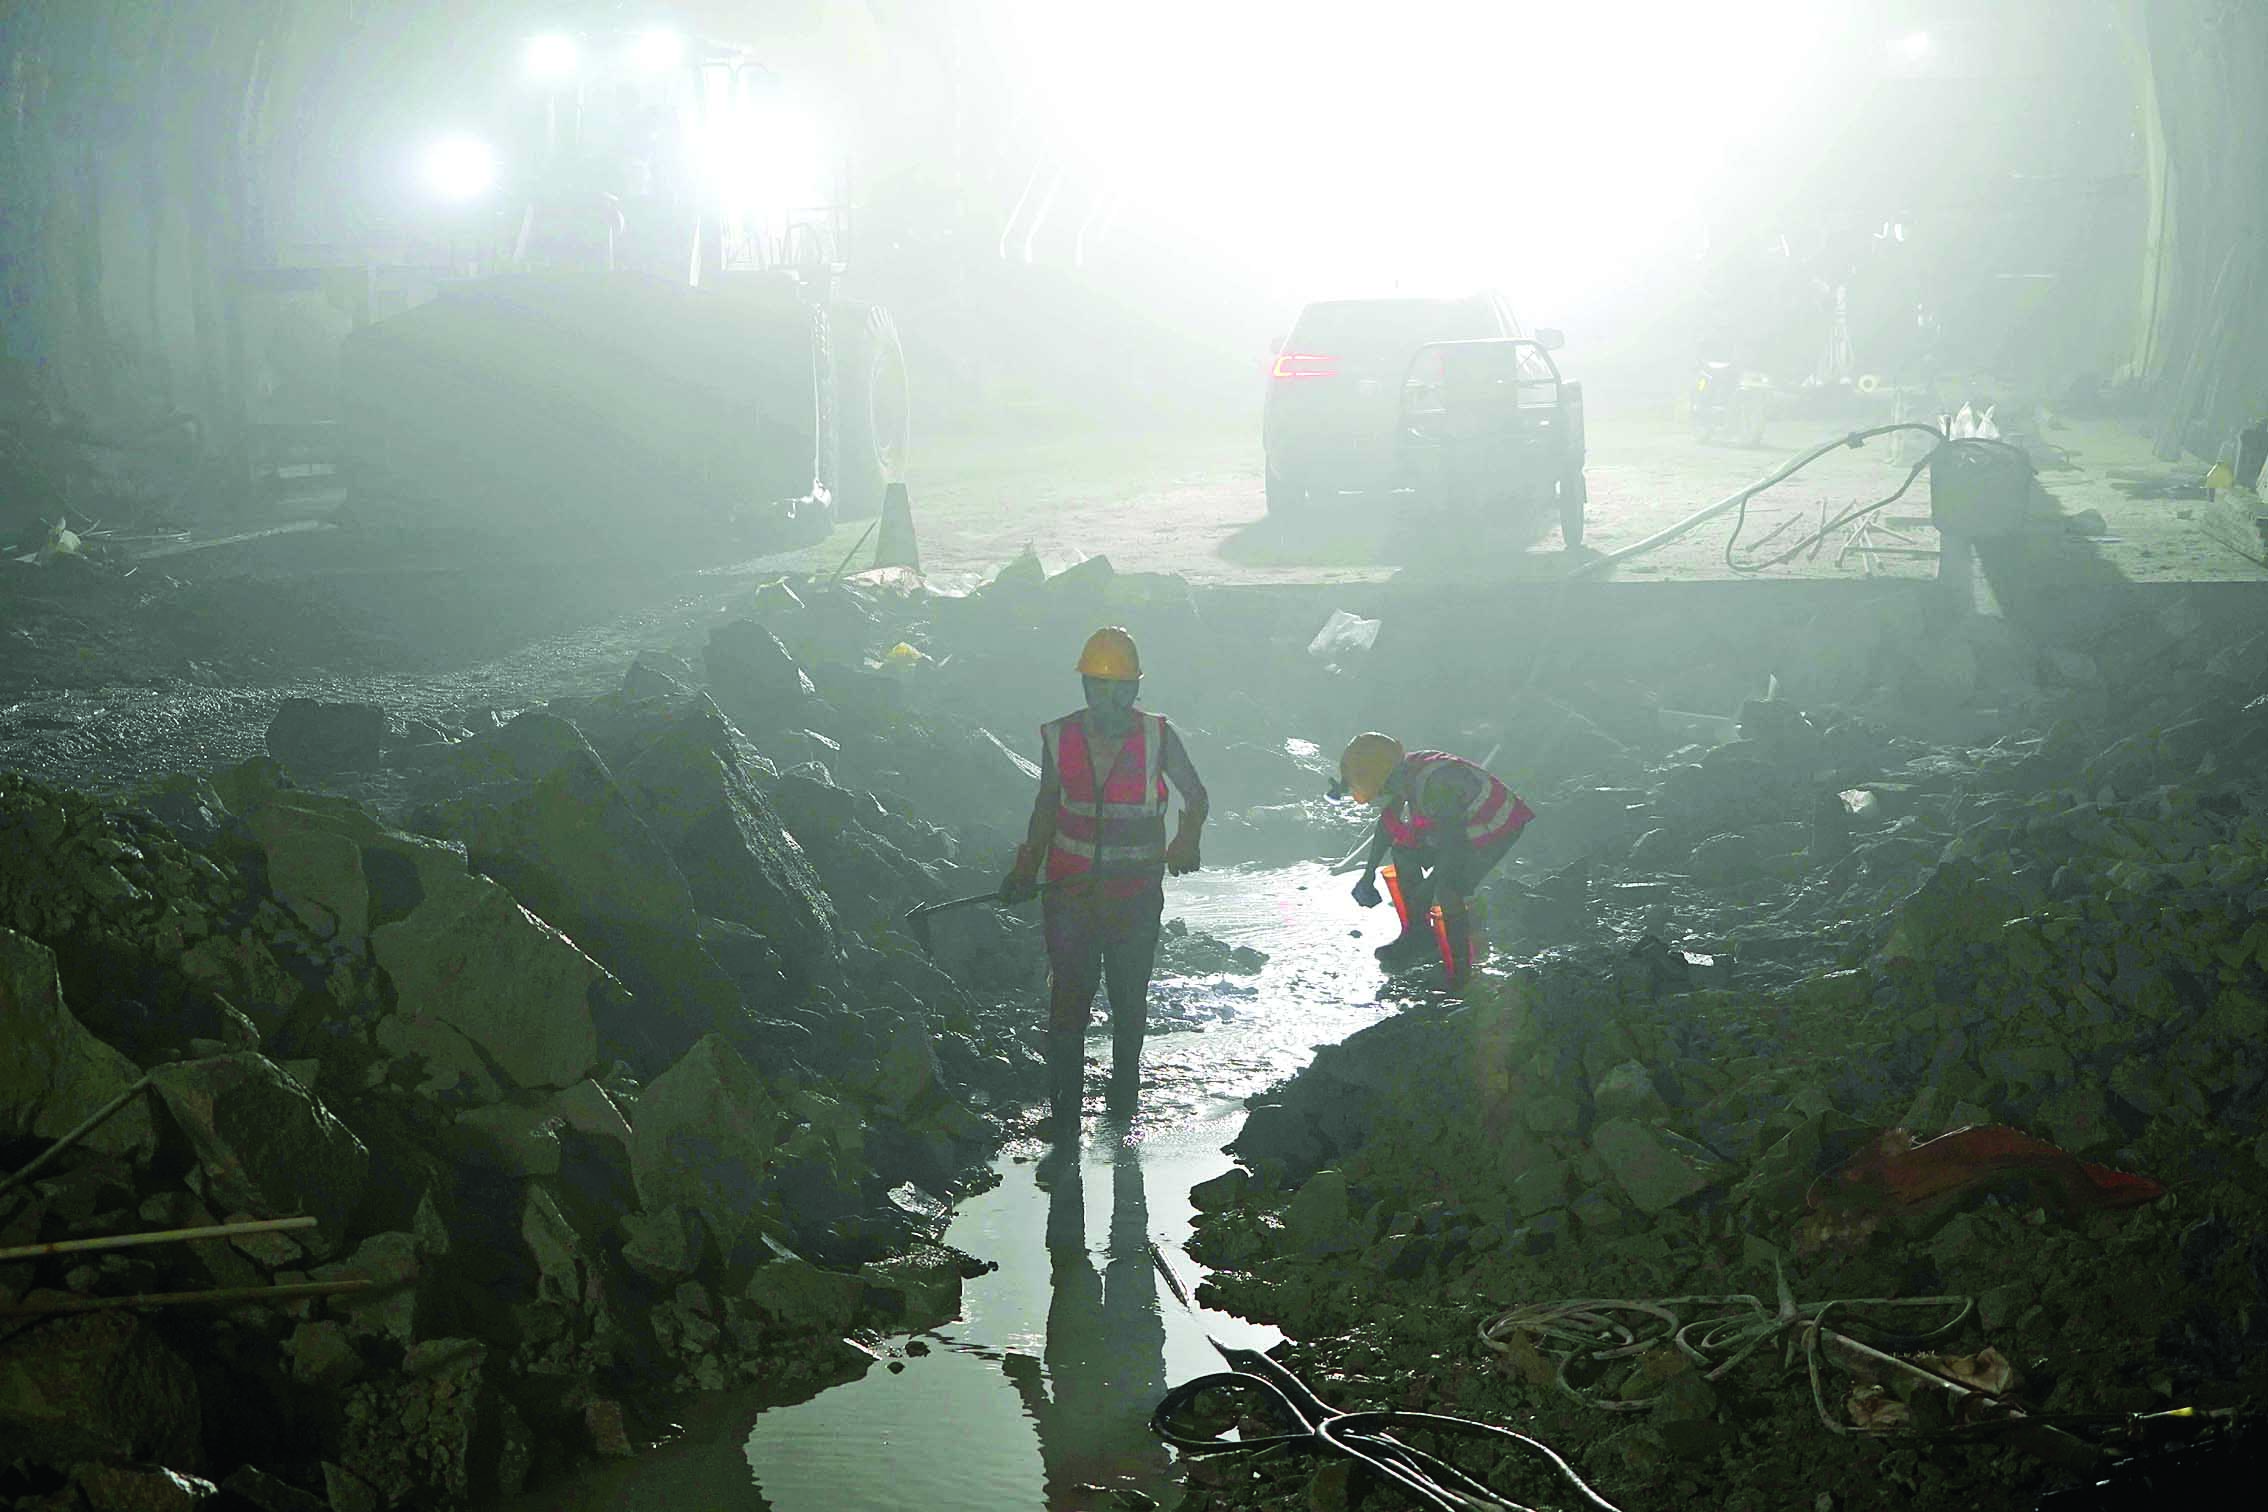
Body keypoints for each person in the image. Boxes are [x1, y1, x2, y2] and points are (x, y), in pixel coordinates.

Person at [1002, 627, 1207, 1138]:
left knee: (1128, 1001)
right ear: (1086, 687)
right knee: (1068, 1002)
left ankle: (1122, 1106)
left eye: (1122, 688)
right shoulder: (1060, 736)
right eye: (1100, 686)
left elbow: (1196, 796)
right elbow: (1047, 803)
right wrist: (1026, 866)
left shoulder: (1159, 735)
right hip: (1070, 894)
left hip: (1134, 895)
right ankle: (1064, 1120)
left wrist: (1187, 839)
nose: (1111, 699)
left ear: (1136, 689)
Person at [1334, 732, 1532, 982]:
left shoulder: (1436, 784)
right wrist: (1368, 873)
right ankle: (1419, 937)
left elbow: (1455, 850)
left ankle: (1460, 972)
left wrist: (1427, 890)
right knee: (1403, 851)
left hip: (1495, 826)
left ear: (1385, 778)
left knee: (1449, 888)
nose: (1382, 795)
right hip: (1459, 827)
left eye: (1380, 789)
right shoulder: (1403, 773)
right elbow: (1388, 824)